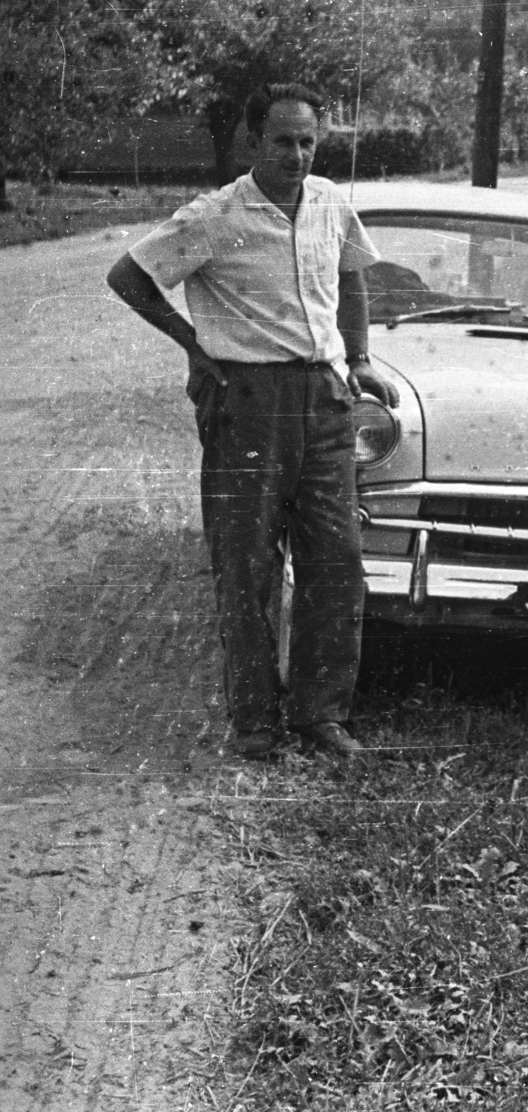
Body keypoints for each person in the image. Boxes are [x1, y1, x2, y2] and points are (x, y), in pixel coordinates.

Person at [106, 83, 399, 760]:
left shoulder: (330, 202)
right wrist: (193, 343)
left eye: (307, 142)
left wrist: (358, 356)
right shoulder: (216, 215)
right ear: (253, 141)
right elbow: (129, 276)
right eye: (282, 141)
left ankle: (321, 715)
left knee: (337, 562)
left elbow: (352, 275)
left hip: (324, 400)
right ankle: (256, 725)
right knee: (247, 567)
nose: (296, 155)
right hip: (249, 403)